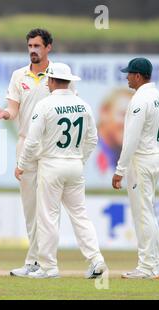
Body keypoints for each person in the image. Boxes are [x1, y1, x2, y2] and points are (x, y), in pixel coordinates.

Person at [16, 62, 107, 278]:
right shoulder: (83, 105)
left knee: (47, 215)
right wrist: (79, 159)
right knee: (80, 215)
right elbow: (93, 138)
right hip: (75, 165)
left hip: (51, 165)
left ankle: (48, 267)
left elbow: (32, 141)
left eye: (48, 79)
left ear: (52, 80)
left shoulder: (45, 105)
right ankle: (96, 259)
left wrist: (22, 164)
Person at [0, 28, 54, 276]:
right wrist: (3, 113)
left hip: (50, 148)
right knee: (30, 208)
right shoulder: (19, 75)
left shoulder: (59, 74)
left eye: (37, 46)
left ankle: (47, 261)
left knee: (47, 207)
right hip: (26, 145)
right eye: (30, 46)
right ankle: (33, 261)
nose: (33, 51)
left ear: (48, 47)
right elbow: (13, 111)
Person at [112, 57, 159, 279]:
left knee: (142, 214)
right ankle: (154, 265)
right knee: (148, 212)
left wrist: (120, 169)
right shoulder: (158, 97)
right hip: (154, 156)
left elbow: (131, 139)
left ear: (137, 76)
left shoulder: (139, 99)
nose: (126, 78)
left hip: (141, 160)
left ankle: (147, 267)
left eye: (129, 74)